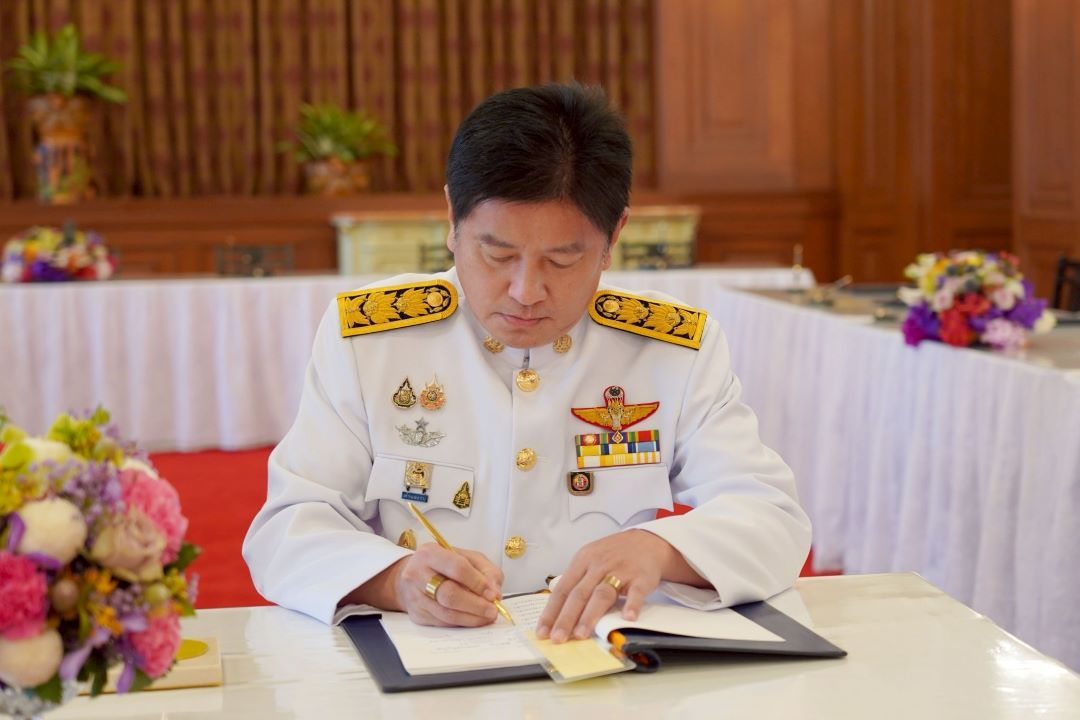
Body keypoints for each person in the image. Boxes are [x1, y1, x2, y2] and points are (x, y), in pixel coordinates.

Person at [243, 82, 810, 644]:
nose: (525, 291)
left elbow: (773, 516)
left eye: (562, 260)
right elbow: (287, 528)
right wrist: (395, 580)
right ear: (452, 218)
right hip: (428, 663)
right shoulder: (375, 340)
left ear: (614, 235)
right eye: (498, 254)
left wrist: (660, 550)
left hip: (601, 664)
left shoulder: (670, 349)